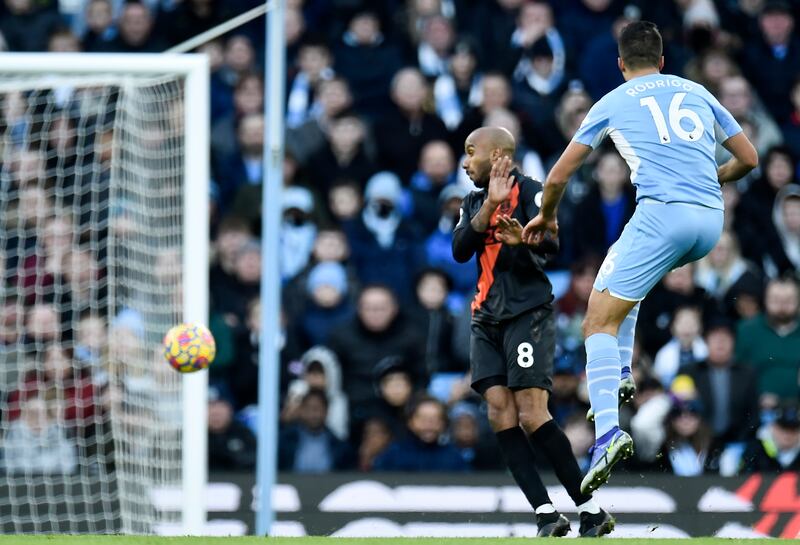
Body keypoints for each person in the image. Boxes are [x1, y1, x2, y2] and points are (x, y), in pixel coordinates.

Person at [521, 21, 758, 493]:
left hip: (662, 216)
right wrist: (713, 182)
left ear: (620, 64)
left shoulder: (613, 100)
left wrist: (546, 216)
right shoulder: (697, 91)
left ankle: (607, 431)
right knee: (626, 278)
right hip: (710, 223)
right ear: (664, 61)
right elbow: (749, 158)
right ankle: (624, 371)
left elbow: (558, 176)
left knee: (596, 320)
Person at [453, 126, 612, 537]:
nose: (466, 161)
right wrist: (489, 207)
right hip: (485, 317)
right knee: (498, 413)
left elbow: (554, 245)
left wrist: (523, 241)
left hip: (528, 313)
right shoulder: (472, 201)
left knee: (530, 412)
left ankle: (588, 508)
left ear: (499, 156)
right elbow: (459, 250)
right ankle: (545, 512)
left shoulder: (537, 192)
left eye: (472, 152)